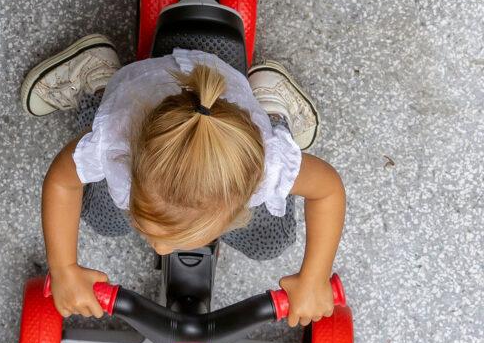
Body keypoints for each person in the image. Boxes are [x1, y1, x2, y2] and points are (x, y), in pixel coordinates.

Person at [21, 34, 345, 327]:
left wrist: (315, 277)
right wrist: (63, 268)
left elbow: (327, 190)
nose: (160, 248)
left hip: (219, 109)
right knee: (105, 219)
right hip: (140, 93)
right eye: (151, 231)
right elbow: (63, 181)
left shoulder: (264, 164)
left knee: (270, 242)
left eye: (164, 238)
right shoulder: (117, 142)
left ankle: (272, 105)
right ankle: (97, 73)